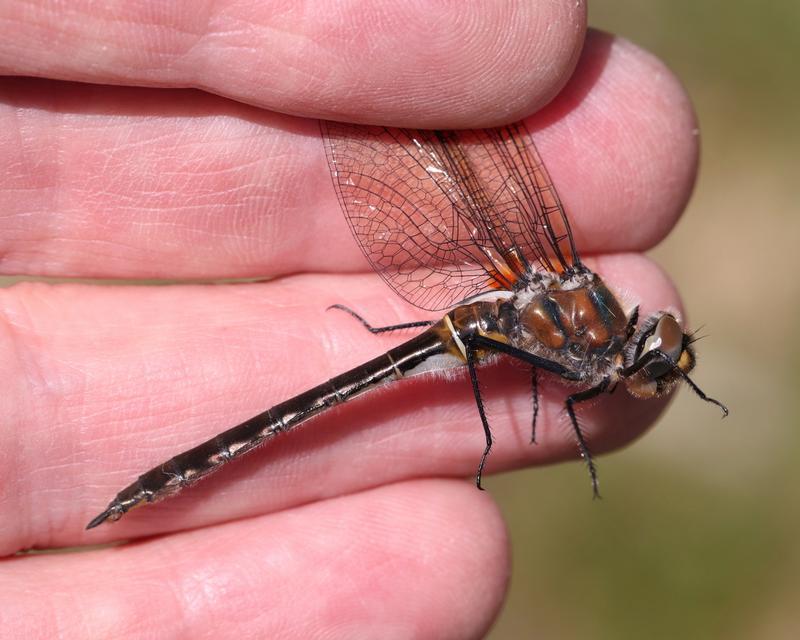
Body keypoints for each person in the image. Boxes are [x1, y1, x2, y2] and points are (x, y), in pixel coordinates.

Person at [0, 2, 700, 637]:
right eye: (655, 357)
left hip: (486, 319)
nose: (652, 366)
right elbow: (565, 393)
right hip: (480, 322)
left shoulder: (585, 331)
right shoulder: (588, 338)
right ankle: (166, 479)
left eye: (656, 359)